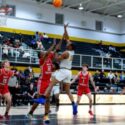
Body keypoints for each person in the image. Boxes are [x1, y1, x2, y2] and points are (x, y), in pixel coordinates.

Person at [35, 24, 77, 116]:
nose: (67, 43)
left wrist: (57, 52)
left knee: (51, 83)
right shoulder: (72, 51)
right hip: (69, 72)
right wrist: (65, 29)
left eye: (69, 44)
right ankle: (74, 104)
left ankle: (42, 98)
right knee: (68, 90)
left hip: (63, 70)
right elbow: (67, 38)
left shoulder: (66, 53)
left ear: (71, 47)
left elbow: (57, 59)